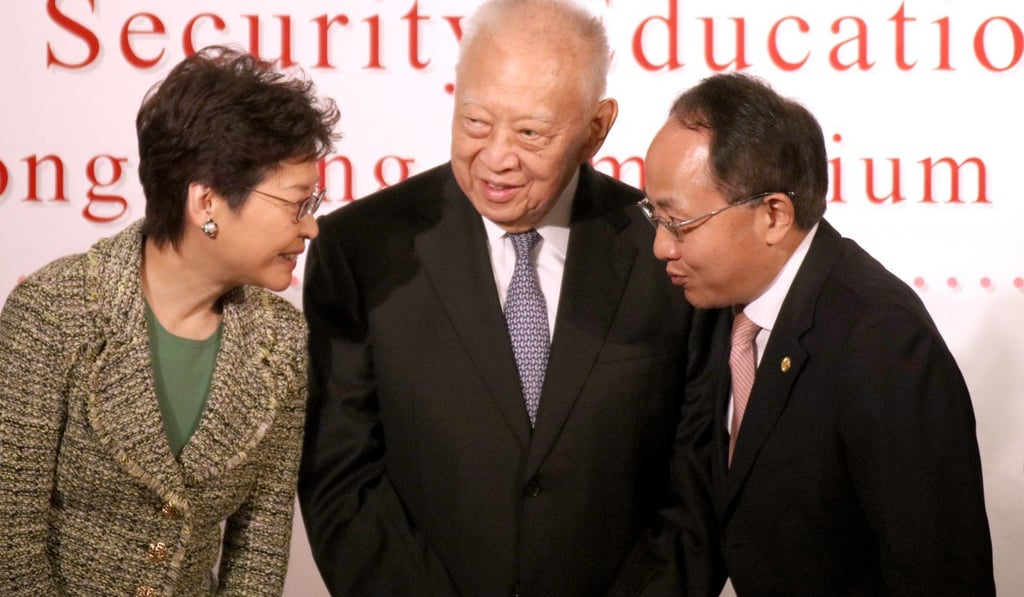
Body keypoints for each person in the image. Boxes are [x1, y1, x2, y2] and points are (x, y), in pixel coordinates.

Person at [299, 0, 717, 594]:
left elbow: (698, 476)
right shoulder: (362, 250)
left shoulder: (668, 254)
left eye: (531, 133)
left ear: (596, 129)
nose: (497, 158)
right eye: (475, 123)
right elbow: (340, 480)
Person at [0, 46, 339, 596]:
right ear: (206, 202)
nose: (311, 228)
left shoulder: (280, 339)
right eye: (297, 203)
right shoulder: (53, 312)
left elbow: (260, 547)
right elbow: (11, 544)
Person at [641, 72, 995, 595]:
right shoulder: (718, 308)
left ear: (774, 215)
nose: (660, 248)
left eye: (679, 223)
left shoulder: (884, 342)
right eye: (654, 214)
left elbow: (938, 572)